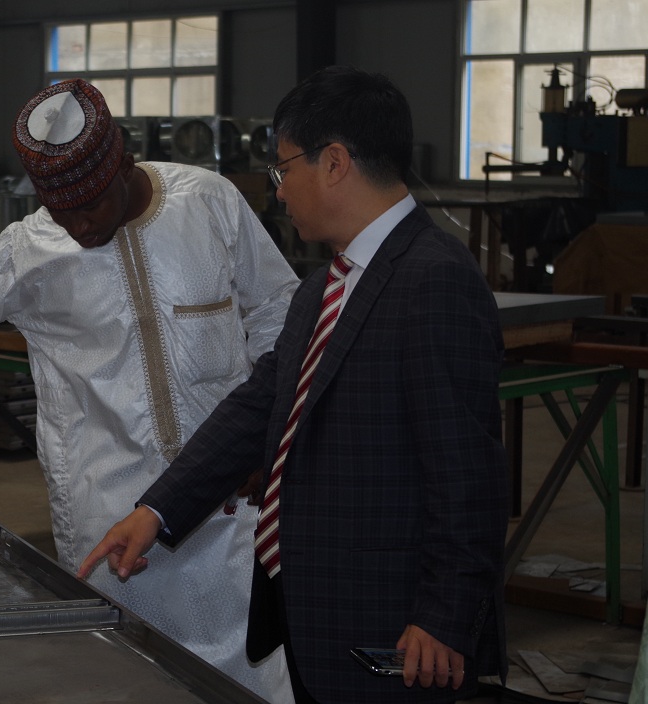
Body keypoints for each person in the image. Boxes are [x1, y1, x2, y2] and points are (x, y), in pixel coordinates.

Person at [80, 65, 510, 704]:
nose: (279, 192)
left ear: (333, 163)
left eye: (283, 169)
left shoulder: (433, 280)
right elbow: (258, 407)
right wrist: (156, 510)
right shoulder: (323, 288)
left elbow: (467, 475)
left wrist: (445, 617)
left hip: (397, 630)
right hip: (317, 619)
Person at [0, 79, 298, 701]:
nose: (78, 226)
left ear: (124, 165)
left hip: (229, 512)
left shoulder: (208, 202)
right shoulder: (27, 251)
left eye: (91, 208)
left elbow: (277, 311)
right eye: (62, 213)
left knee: (255, 680)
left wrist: (266, 435)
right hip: (111, 529)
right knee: (131, 682)